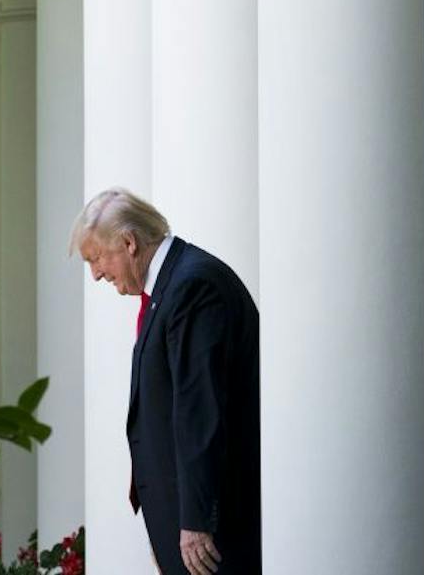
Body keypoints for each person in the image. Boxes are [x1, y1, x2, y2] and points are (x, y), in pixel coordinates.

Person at [72, 188, 260, 575]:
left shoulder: (193, 286)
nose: (96, 274)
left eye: (96, 259)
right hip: (188, 523)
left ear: (128, 243)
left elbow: (199, 412)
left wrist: (194, 524)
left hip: (215, 528)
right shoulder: (172, 286)